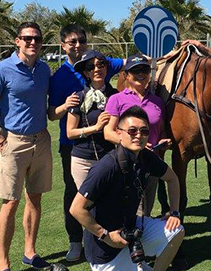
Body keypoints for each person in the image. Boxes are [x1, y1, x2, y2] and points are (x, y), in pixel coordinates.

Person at [70, 105, 184, 271]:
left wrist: (174, 212)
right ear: (119, 133)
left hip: (130, 230)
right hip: (104, 250)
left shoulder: (146, 157)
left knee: (176, 231)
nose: (138, 135)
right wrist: (105, 235)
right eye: (132, 131)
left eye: (144, 131)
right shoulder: (107, 166)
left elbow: (172, 179)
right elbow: (76, 209)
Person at [0, 22, 53, 271]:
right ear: (17, 41)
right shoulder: (2, 69)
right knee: (10, 203)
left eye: (37, 39)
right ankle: (3, 263)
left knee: (35, 198)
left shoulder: (44, 70)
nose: (33, 43)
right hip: (14, 141)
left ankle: (30, 252)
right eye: (27, 38)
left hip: (41, 140)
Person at [48, 25, 124, 262]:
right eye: (72, 42)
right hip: (73, 146)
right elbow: (52, 114)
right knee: (75, 194)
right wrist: (66, 105)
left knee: (107, 193)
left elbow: (132, 63)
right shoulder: (59, 77)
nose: (77, 45)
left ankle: (109, 240)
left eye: (81, 40)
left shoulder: (102, 63)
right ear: (63, 45)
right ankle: (75, 241)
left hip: (106, 146)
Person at [104, 54, 171, 216]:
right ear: (126, 75)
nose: (141, 74)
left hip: (151, 163)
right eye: (135, 71)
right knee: (131, 211)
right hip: (127, 163)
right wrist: (134, 144)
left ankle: (141, 240)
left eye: (145, 70)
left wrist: (163, 141)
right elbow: (108, 132)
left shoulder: (157, 101)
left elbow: (160, 130)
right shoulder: (116, 99)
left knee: (145, 211)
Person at [67, 49, 118, 188]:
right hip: (82, 160)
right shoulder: (78, 97)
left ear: (106, 68)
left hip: (110, 158)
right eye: (91, 67)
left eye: (101, 64)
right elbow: (70, 132)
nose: (97, 69)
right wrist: (96, 128)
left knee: (109, 204)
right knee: (86, 207)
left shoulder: (115, 96)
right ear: (86, 72)